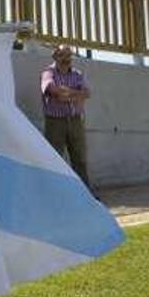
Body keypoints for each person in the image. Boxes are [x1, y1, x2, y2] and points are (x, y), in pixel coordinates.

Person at [41, 44, 91, 190]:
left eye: (69, 55)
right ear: (55, 56)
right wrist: (75, 94)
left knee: (80, 159)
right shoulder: (48, 73)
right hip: (55, 122)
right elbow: (52, 90)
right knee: (54, 159)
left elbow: (87, 93)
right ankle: (55, 193)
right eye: (62, 55)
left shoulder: (77, 74)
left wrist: (67, 93)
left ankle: (85, 194)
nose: (66, 59)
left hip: (75, 121)